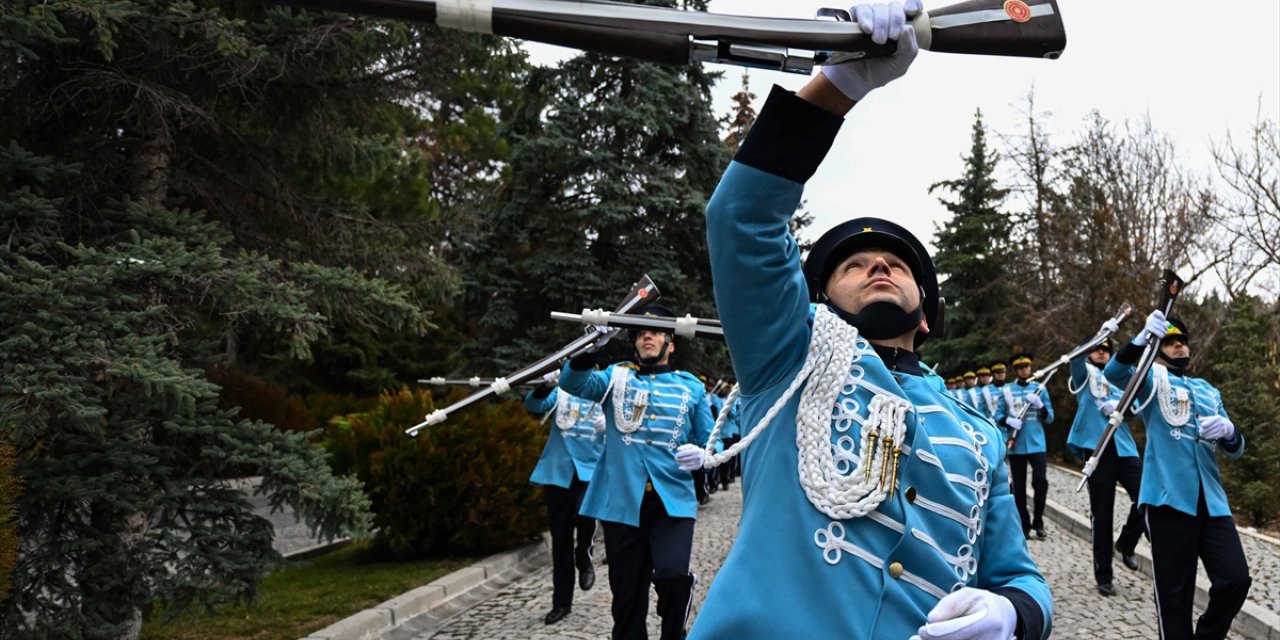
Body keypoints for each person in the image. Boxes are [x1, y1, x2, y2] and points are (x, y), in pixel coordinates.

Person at [682, 4, 1052, 637]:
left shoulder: (979, 436)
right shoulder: (786, 363)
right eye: (854, 264)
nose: (879, 267)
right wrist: (843, 83)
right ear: (819, 300)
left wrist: (1012, 614)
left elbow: (1018, 576)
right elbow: (741, 218)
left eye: (895, 265)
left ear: (927, 318)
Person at [559, 304, 714, 640]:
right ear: (634, 342)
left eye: (657, 331)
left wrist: (704, 455)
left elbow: (712, 442)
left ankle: (674, 630)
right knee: (627, 600)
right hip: (622, 503)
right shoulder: (615, 377)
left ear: (670, 344)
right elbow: (573, 383)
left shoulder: (692, 389)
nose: (648, 335)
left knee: (672, 575)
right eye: (642, 331)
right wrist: (593, 347)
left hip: (671, 502)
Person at [1105, 312, 1251, 639]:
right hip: (1168, 502)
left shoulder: (1208, 390)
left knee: (1236, 579)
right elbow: (1114, 373)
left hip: (1212, 504)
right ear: (1158, 352)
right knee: (1174, 598)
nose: (1179, 347)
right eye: (1170, 343)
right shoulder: (1150, 380)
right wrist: (1140, 339)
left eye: (1182, 342)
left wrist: (1229, 431)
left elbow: (1235, 449)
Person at [1064, 337, 1142, 597]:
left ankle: (1127, 543)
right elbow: (1074, 357)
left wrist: (1124, 409)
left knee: (1146, 498)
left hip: (1124, 447)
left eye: (1106, 349)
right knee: (1102, 514)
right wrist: (1098, 334)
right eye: (1097, 348)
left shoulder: (1120, 378)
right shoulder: (1083, 375)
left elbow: (1139, 406)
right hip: (1096, 449)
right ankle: (1104, 574)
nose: (1101, 352)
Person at [524, 379, 605, 623]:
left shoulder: (605, 392)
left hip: (590, 471)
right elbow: (535, 405)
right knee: (560, 541)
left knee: (585, 517)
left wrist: (611, 424)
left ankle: (585, 556)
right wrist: (545, 386)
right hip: (558, 473)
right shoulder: (561, 390)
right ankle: (561, 603)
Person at [995, 351, 1055, 540]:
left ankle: (1039, 520)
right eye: (1020, 368)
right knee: (1019, 487)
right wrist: (1009, 421)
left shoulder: (1040, 389)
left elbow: (1051, 418)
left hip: (1037, 443)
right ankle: (1024, 523)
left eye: (1026, 367)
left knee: (1041, 482)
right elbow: (997, 415)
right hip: (1017, 444)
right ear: (1015, 370)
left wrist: (1041, 406)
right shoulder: (1005, 390)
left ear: (1030, 368)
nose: (1024, 370)